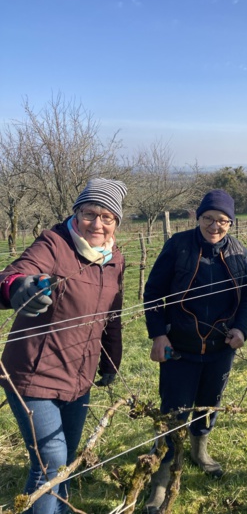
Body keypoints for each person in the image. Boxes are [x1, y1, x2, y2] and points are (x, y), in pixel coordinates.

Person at [0, 178, 127, 514]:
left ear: (116, 222)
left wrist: (110, 361)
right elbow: (13, 274)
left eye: (107, 217)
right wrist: (19, 288)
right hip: (33, 372)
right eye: (89, 213)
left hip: (79, 375)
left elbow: (112, 314)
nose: (97, 224)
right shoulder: (54, 244)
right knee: (50, 463)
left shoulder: (115, 259)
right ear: (76, 212)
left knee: (66, 460)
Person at [143, 189, 247, 513]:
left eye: (223, 221)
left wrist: (241, 329)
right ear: (198, 217)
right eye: (209, 218)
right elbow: (153, 293)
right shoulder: (178, 246)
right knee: (173, 414)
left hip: (221, 349)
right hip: (179, 348)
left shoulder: (238, 252)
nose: (215, 226)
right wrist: (158, 336)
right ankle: (161, 479)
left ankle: (199, 451)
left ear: (231, 223)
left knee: (209, 405)